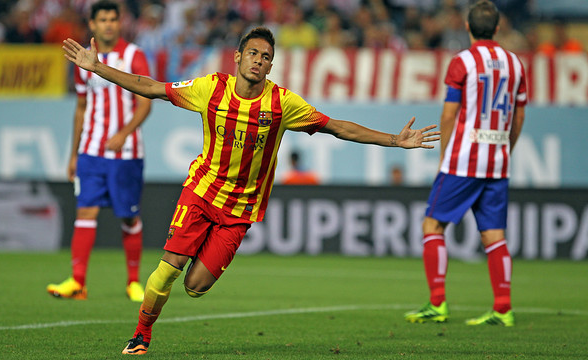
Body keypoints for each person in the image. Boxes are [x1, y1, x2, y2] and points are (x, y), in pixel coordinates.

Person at [62, 26, 439, 355]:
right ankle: (141, 335)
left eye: (266, 57)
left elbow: (338, 127)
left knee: (195, 286)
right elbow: (151, 88)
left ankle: (191, 269)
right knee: (168, 269)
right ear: (238, 57)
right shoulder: (209, 88)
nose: (259, 60)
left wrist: (394, 140)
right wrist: (97, 68)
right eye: (254, 53)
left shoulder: (282, 104)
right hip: (201, 192)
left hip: (240, 211)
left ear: (271, 66)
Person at [404, 0, 527, 327]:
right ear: (498, 28)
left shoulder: (463, 62)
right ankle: (503, 308)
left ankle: (437, 303)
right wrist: (506, 150)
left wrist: (446, 155)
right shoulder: (516, 64)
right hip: (497, 161)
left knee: (432, 225)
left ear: (468, 27)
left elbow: (448, 114)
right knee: (494, 235)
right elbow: (519, 115)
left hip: (463, 160)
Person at [47, 0, 152, 303]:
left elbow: (146, 101)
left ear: (120, 23)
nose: (108, 24)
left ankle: (133, 281)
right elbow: (81, 108)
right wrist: (73, 153)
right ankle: (77, 282)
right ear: (92, 25)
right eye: (102, 19)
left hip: (127, 152)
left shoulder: (133, 55)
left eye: (112, 19)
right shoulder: (83, 60)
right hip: (91, 151)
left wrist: (124, 132)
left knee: (129, 218)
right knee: (86, 211)